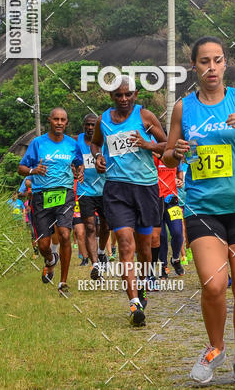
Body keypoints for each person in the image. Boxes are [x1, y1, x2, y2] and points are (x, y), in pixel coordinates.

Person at [163, 36, 235, 388]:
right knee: (214, 285)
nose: (211, 67)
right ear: (194, 67)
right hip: (202, 207)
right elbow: (167, 156)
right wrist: (177, 151)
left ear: (225, 63)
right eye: (203, 62)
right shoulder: (184, 108)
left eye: (217, 60)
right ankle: (214, 348)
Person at [90, 75, 167, 327]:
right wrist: (99, 159)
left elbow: (167, 144)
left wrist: (147, 144)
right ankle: (134, 304)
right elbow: (95, 145)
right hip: (116, 190)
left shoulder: (145, 116)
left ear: (135, 94)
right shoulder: (103, 120)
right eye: (119, 95)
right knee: (125, 244)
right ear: (111, 97)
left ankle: (142, 288)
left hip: (145, 188)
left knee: (145, 250)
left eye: (128, 94)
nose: (124, 99)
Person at [18, 107, 84, 297]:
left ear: (67, 122)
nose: (60, 123)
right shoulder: (38, 143)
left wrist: (79, 172)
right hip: (41, 196)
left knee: (64, 234)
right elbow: (21, 167)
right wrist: (33, 171)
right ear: (50, 120)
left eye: (63, 120)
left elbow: (80, 163)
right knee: (43, 245)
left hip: (65, 195)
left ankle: (63, 282)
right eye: (56, 119)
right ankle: (50, 260)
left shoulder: (72, 144)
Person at [76, 113, 110, 279]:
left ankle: (102, 252)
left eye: (93, 125)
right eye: (87, 125)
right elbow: (72, 159)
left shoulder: (105, 140)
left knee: (106, 225)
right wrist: (76, 168)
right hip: (85, 190)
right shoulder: (77, 141)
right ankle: (95, 265)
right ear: (83, 126)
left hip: (105, 189)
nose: (90, 128)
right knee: (89, 226)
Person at [154, 153, 185, 278]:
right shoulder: (152, 156)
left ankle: (176, 259)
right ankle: (163, 266)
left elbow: (179, 172)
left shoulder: (173, 155)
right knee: (161, 236)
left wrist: (180, 180)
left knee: (178, 232)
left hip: (172, 200)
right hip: (156, 200)